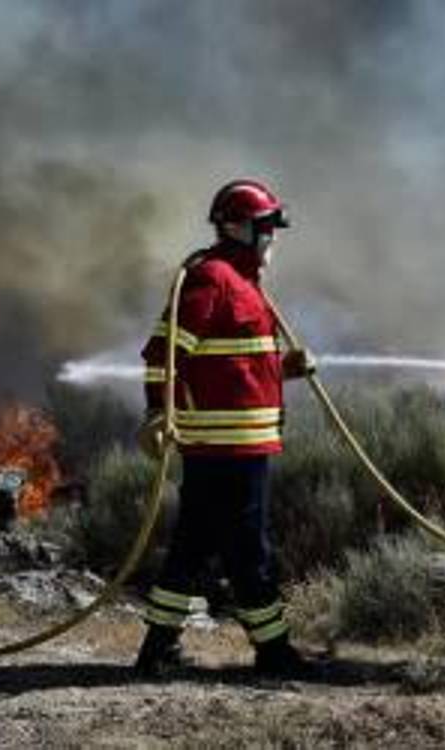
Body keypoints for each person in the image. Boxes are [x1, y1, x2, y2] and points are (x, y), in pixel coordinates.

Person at [132, 179, 315, 678]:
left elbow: (235, 366)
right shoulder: (212, 279)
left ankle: (156, 650)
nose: (272, 238)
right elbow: (163, 355)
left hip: (239, 445)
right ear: (239, 228)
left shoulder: (245, 282)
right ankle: (275, 653)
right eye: (266, 228)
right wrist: (156, 412)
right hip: (224, 448)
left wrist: (286, 369)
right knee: (248, 550)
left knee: (193, 546)